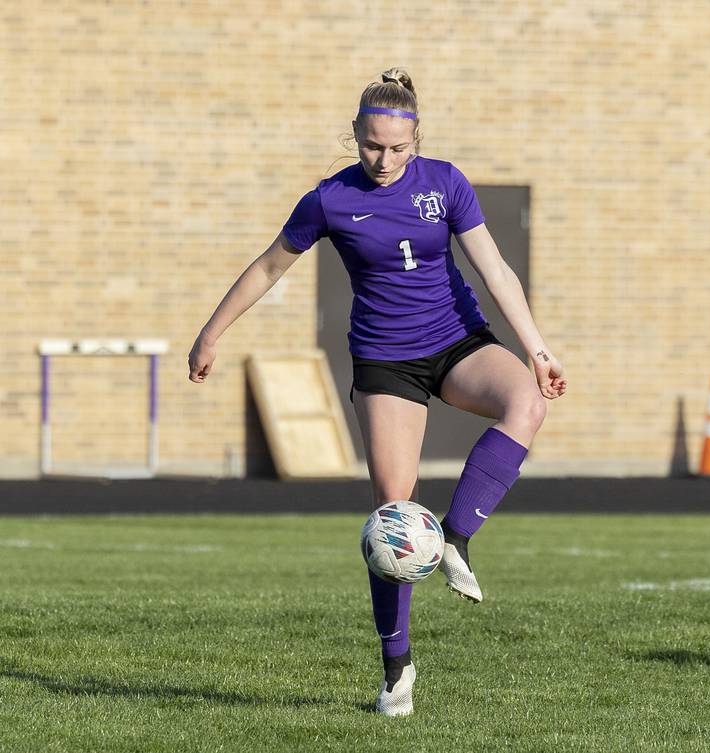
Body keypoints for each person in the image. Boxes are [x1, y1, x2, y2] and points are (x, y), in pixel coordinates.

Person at [188, 67, 567, 717]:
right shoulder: (330, 199)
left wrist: (535, 346)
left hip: (458, 341)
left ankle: (456, 537)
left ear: (416, 140)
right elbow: (268, 266)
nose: (384, 159)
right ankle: (396, 673)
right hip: (386, 362)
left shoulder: (446, 182)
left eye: (397, 148)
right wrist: (211, 331)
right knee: (392, 517)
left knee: (527, 400)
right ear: (355, 136)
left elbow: (495, 268)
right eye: (371, 145)